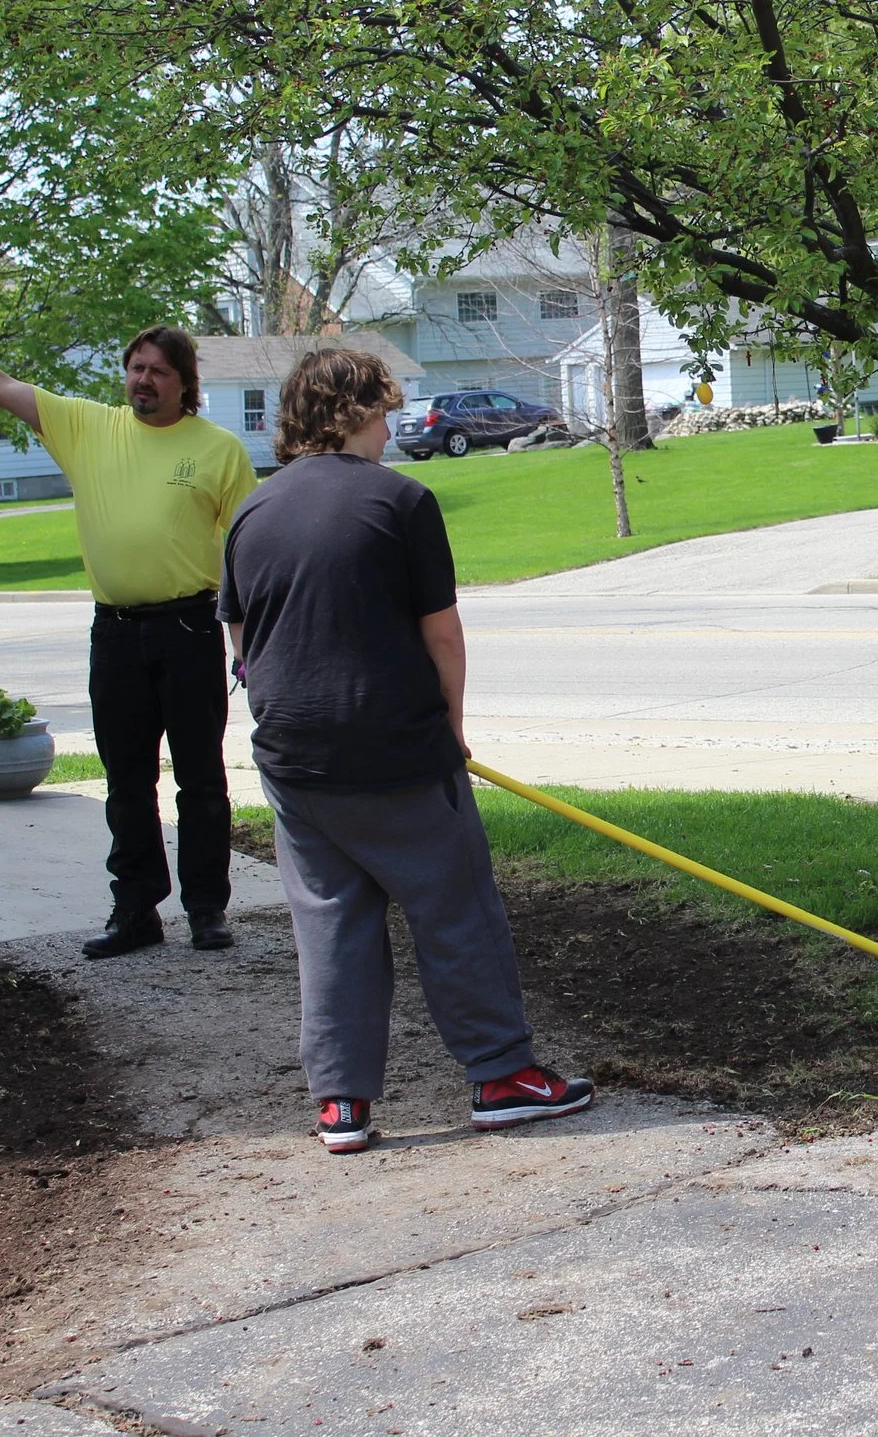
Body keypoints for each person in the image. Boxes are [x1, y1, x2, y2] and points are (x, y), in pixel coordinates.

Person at [218, 345, 591, 1154]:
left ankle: (341, 1101)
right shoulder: (401, 501)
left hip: (293, 756)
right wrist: (451, 728)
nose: (392, 427)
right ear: (350, 411)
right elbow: (442, 633)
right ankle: (501, 1074)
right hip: (393, 748)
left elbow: (243, 639)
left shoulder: (253, 510)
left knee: (330, 921)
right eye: (384, 410)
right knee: (455, 906)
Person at [0, 309, 254, 957]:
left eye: (158, 371)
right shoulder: (86, 426)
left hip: (187, 628)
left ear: (186, 383)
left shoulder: (219, 450)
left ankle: (207, 909)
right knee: (127, 779)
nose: (143, 380)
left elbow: (247, 551)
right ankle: (136, 911)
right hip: (117, 635)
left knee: (201, 778)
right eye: (136, 368)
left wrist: (246, 641)